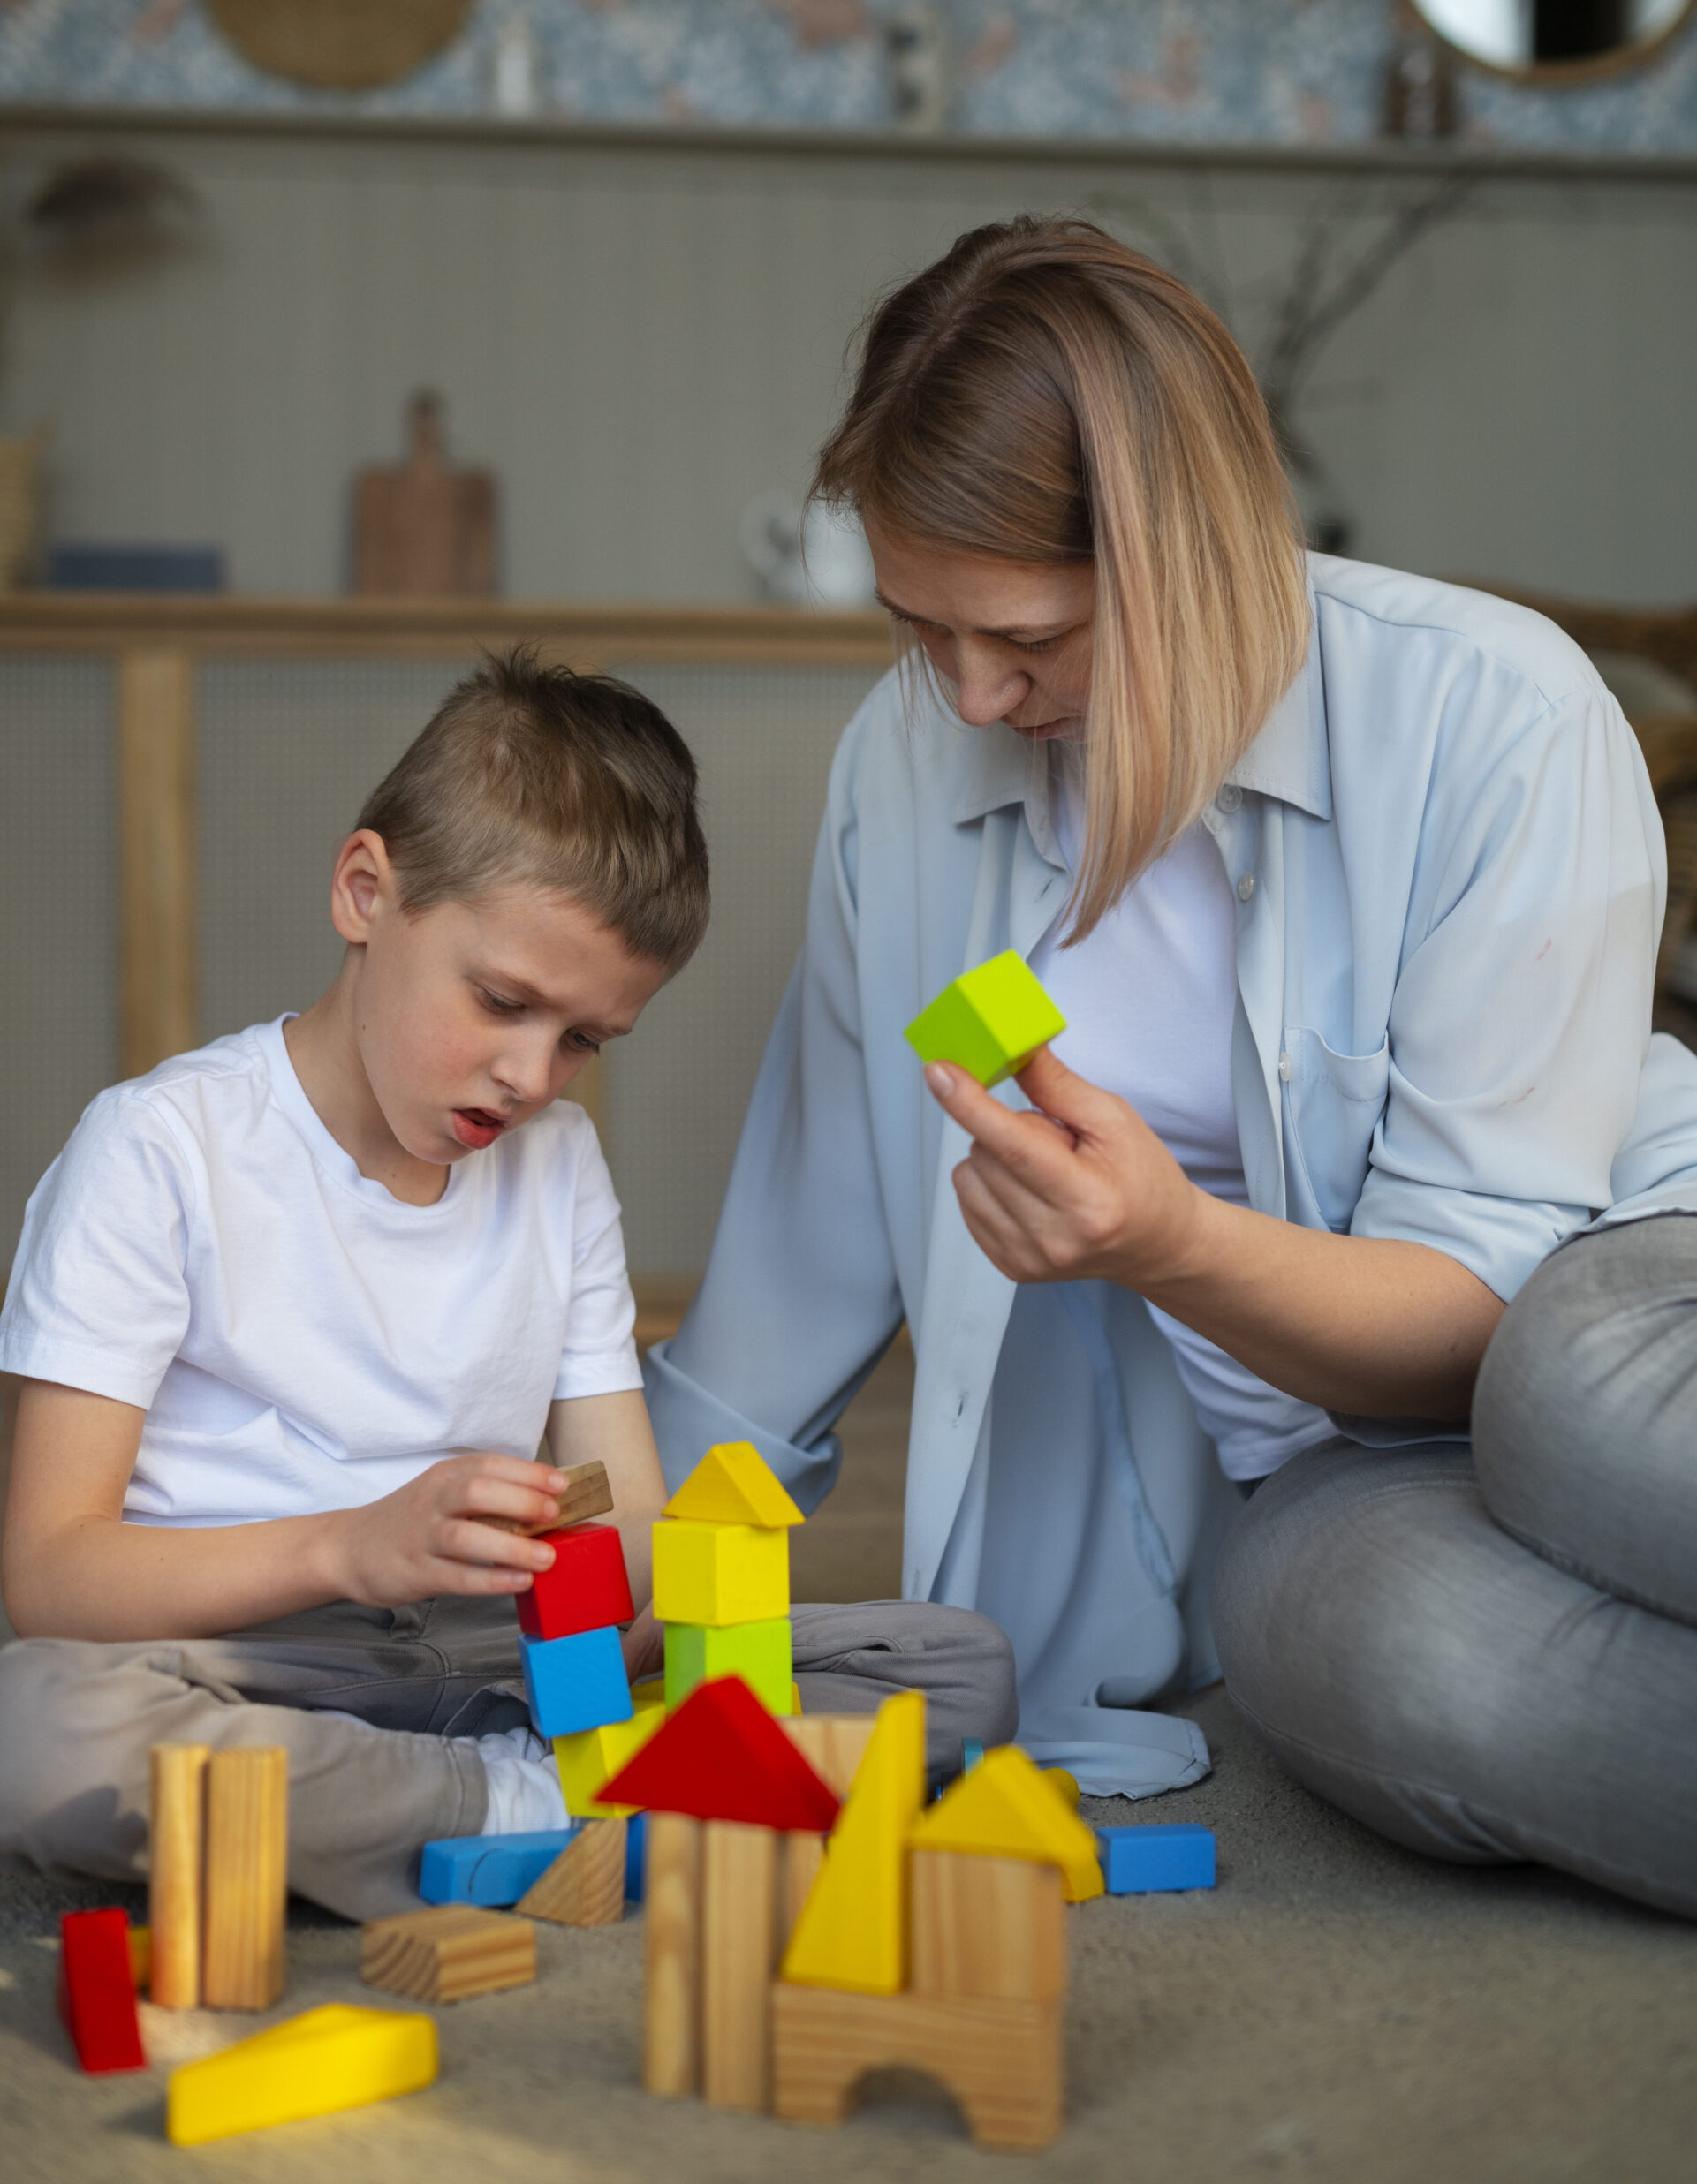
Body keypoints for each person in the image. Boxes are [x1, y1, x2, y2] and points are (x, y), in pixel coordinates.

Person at [643, 217, 1697, 1918]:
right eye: (926, 632)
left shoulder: (1491, 712)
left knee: (1572, 1408)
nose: (972, 698)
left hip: (1603, 1310)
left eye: (1032, 644)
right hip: (1331, 1468)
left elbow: (1481, 1316)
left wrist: (1169, 1246)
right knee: (1365, 1654)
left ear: (1186, 558)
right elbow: (806, 1249)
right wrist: (577, 1551)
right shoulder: (909, 766)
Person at [0, 651, 1016, 1922]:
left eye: (585, 1038)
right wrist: (349, 1546)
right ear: (366, 892)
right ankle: (523, 1811)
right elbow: (48, 1575)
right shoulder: (159, 1149)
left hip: (498, 1664)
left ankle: (448, 1803)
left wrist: (640, 1604)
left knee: (950, 1666)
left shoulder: (559, 1165)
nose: (532, 1077)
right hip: (246, 1663)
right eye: (501, 1002)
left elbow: (630, 1520)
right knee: (36, 1736)